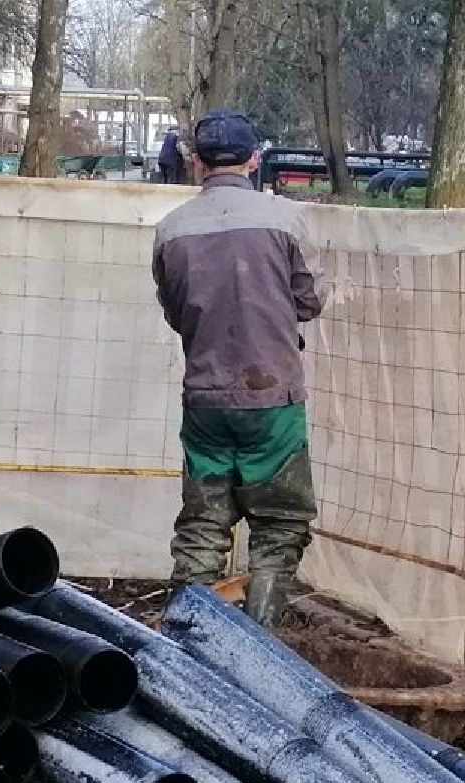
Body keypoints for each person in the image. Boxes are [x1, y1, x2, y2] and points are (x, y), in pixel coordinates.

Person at [150, 110, 323, 626]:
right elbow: (310, 300)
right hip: (273, 402)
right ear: (254, 159)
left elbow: (176, 311)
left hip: (204, 400)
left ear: (197, 163)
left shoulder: (170, 230)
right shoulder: (287, 221)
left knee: (203, 524)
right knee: (279, 522)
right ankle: (259, 645)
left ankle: (188, 640)